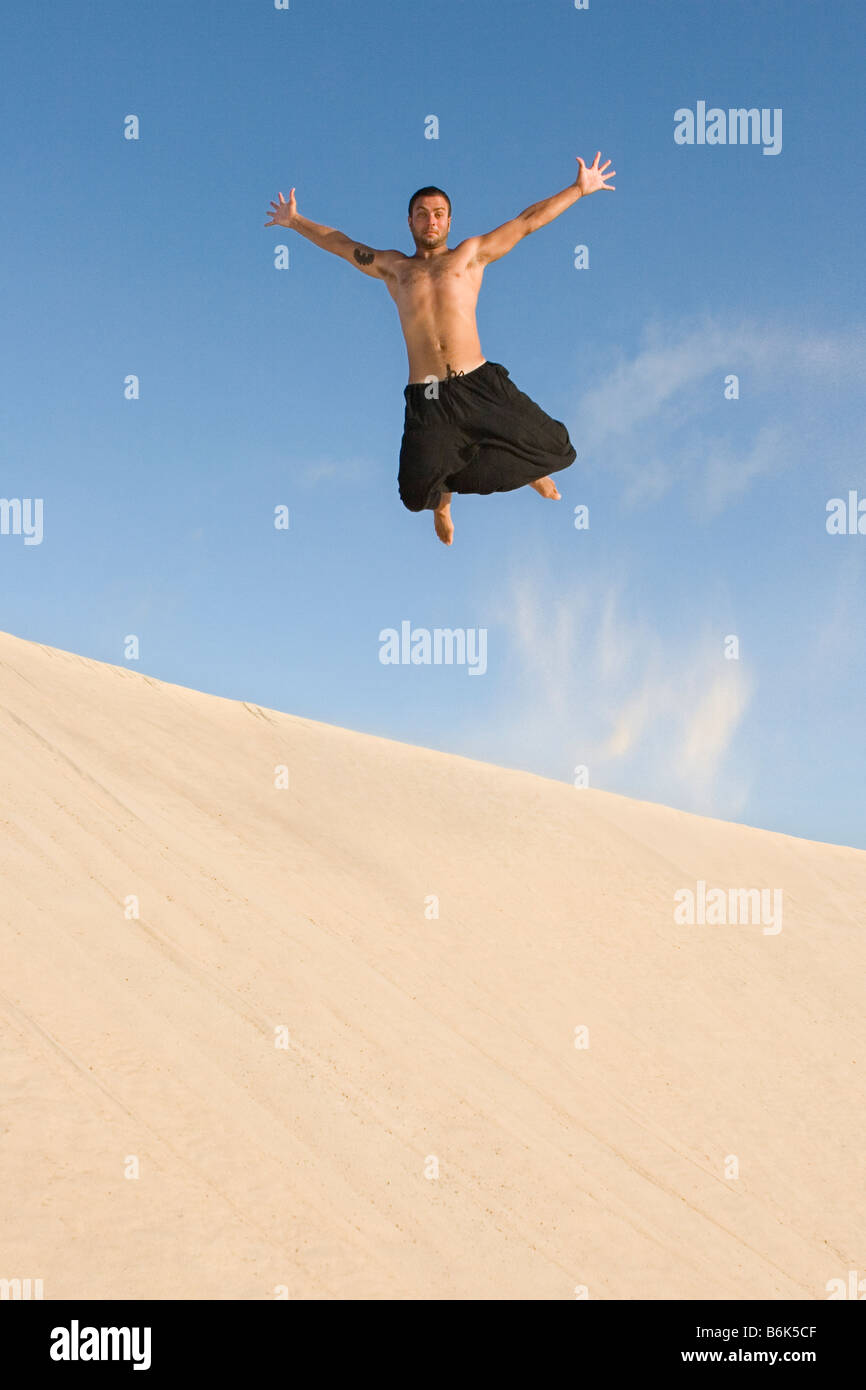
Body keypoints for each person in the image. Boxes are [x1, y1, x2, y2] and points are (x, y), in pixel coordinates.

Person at [264, 152, 615, 544]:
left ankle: (528, 472)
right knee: (415, 496)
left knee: (559, 450)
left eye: (438, 214)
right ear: (410, 221)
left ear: (449, 221)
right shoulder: (395, 268)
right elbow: (342, 244)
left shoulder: (470, 256)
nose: (430, 220)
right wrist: (295, 221)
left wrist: (578, 189)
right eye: (422, 213)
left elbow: (525, 223)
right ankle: (443, 502)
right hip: (427, 396)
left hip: (480, 385)